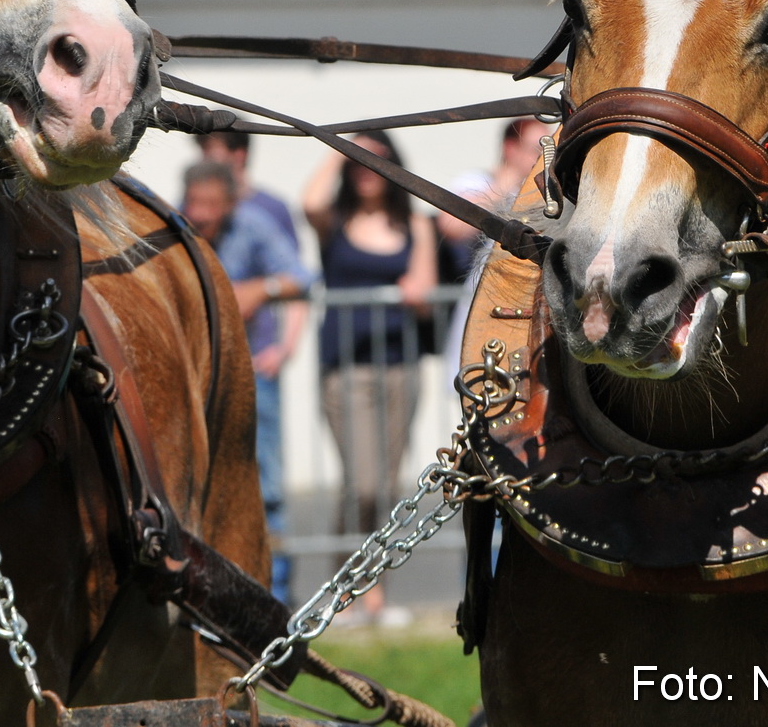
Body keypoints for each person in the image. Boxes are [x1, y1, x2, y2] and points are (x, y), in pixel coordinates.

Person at [301, 130, 437, 624]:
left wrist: (417, 291)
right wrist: (339, 148)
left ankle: (373, 592)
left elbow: (423, 287)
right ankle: (345, 588)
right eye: (359, 162)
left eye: (376, 161)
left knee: (384, 486)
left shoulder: (414, 225)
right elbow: (309, 201)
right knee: (361, 484)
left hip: (401, 367)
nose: (365, 170)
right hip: (346, 370)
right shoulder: (334, 223)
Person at [179, 159, 310, 603]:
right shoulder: (173, 226)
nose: (202, 214)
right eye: (195, 203)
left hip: (251, 375)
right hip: (191, 379)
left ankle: (278, 597)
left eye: (212, 205)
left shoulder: (253, 225)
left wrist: (261, 289)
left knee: (267, 487)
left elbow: (302, 277)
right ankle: (212, 597)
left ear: (231, 204)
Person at [437, 117, 555, 281]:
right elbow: (452, 226)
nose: (544, 158)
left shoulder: (546, 194)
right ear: (511, 149)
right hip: (481, 294)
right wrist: (502, 188)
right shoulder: (477, 181)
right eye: (537, 149)